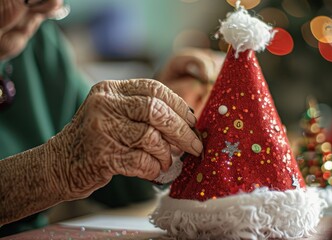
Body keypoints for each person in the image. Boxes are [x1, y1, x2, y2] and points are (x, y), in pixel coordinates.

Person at [0, 0, 222, 236]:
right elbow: (72, 157)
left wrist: (158, 121)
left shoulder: (40, 44)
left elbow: (113, 172)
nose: (52, 5)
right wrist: (54, 168)